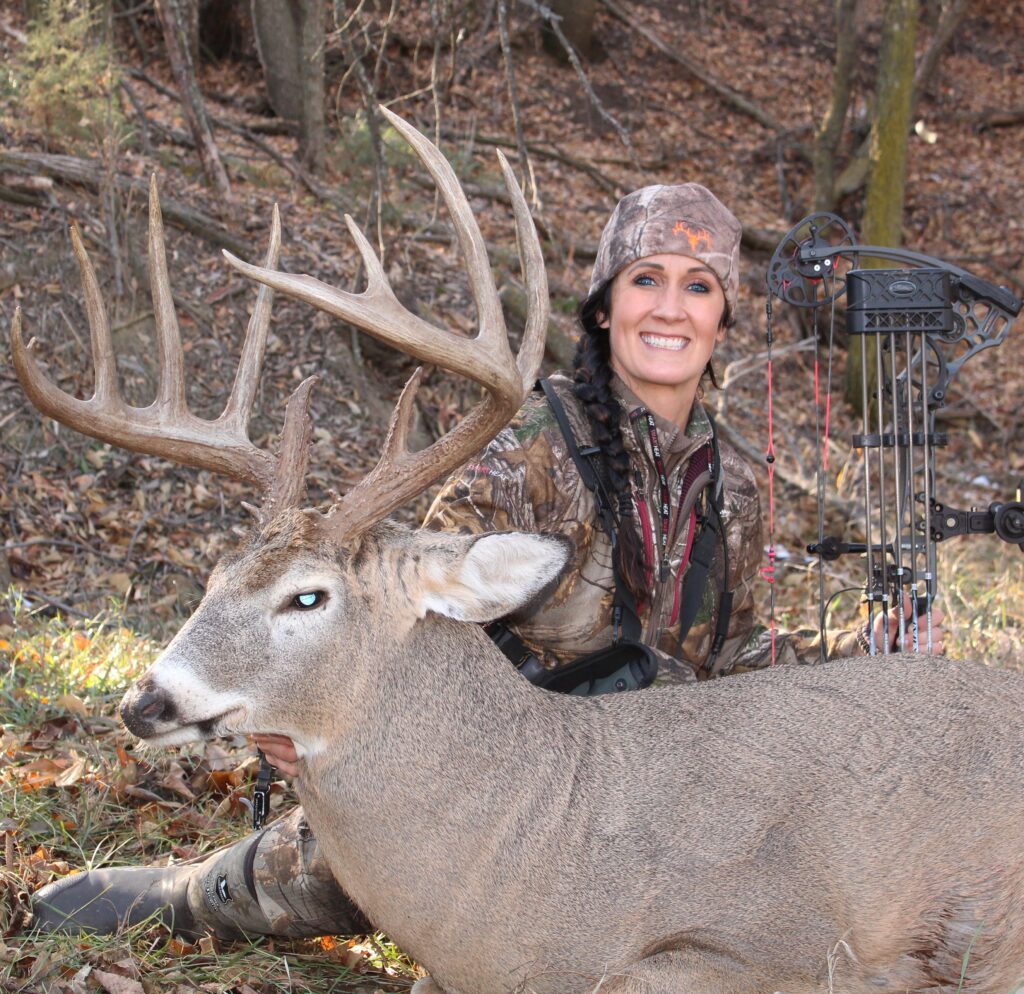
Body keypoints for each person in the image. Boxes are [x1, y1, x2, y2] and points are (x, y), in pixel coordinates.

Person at [31, 183, 944, 940]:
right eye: (647, 279)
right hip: (504, 781)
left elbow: (736, 658)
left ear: (722, 315)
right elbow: (383, 617)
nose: (671, 307)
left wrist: (875, 664)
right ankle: (197, 896)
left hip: (667, 791)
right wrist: (298, 696)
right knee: (390, 874)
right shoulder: (531, 452)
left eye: (699, 286)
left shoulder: (732, 480)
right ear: (605, 303)